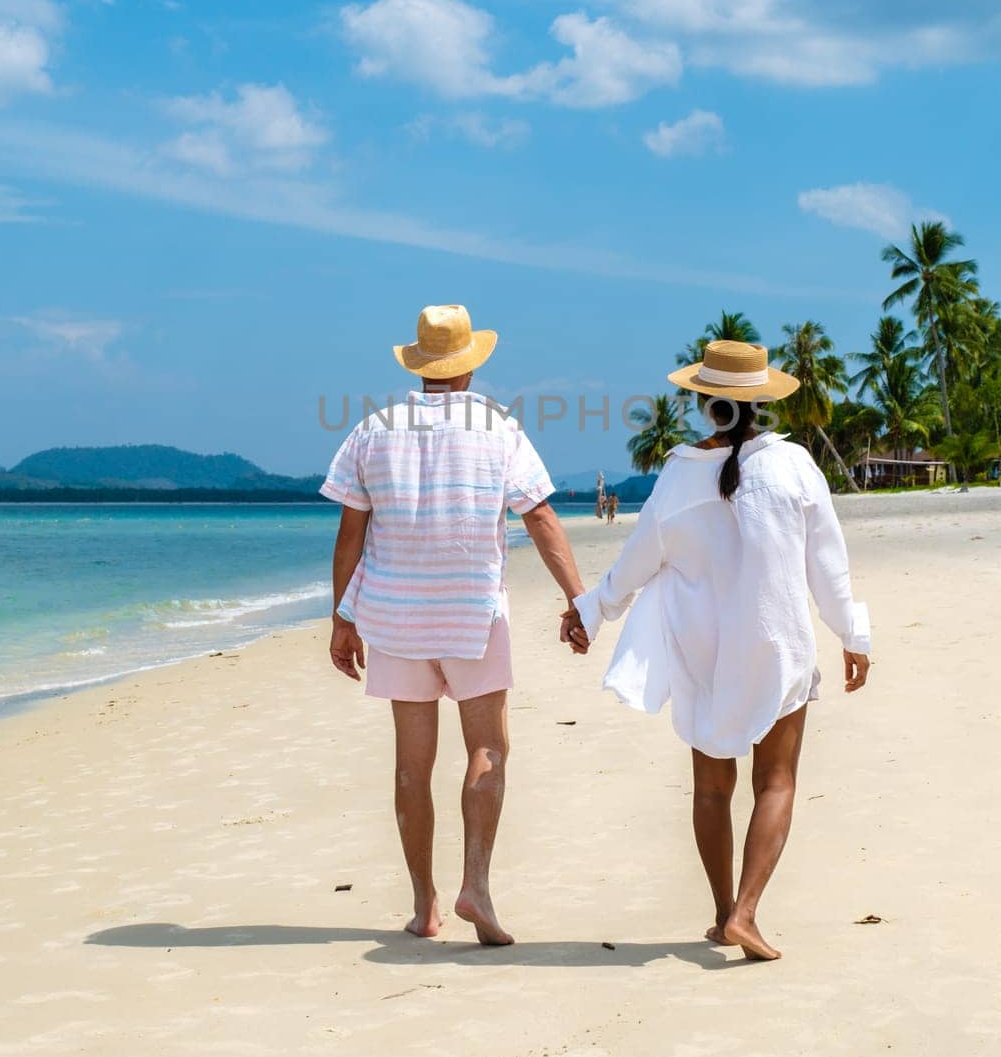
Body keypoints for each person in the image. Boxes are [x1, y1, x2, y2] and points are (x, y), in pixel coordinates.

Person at [568, 339, 871, 961]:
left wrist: (590, 612)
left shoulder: (679, 475)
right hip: (777, 641)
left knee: (711, 788)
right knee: (777, 781)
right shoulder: (794, 466)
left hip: (703, 647)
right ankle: (746, 912)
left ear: (705, 403)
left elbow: (635, 563)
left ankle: (720, 913)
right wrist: (853, 636)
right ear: (760, 399)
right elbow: (828, 566)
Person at [324, 304, 588, 947]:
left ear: (419, 365)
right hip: (473, 613)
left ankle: (425, 906)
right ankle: (477, 886)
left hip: (393, 617)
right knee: (488, 749)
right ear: (470, 367)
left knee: (412, 766)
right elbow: (541, 517)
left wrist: (341, 618)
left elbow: (350, 532)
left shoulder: (374, 428)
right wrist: (579, 598)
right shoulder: (499, 427)